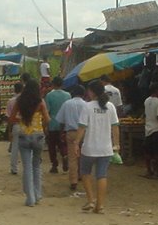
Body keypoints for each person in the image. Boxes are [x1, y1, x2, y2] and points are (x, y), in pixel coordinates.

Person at [77, 80, 121, 214]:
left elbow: (82, 127)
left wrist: (75, 143)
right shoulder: (111, 107)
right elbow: (115, 127)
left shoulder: (88, 106)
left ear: (91, 92)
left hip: (89, 147)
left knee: (85, 172)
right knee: (102, 175)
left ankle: (91, 200)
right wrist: (116, 144)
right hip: (106, 148)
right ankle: (100, 206)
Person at [7, 78, 50, 207]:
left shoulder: (19, 102)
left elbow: (11, 118)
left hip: (24, 135)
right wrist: (41, 123)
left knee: (27, 167)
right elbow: (47, 119)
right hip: (38, 136)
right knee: (36, 166)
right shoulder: (40, 102)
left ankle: (30, 197)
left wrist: (21, 119)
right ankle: (38, 194)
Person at [56, 84, 88, 192]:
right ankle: (82, 176)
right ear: (84, 94)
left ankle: (73, 181)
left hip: (71, 132)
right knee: (83, 156)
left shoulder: (67, 104)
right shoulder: (86, 105)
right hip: (84, 132)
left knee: (72, 157)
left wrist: (61, 133)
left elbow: (61, 120)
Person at [43, 76, 70, 174]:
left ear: (53, 84)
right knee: (63, 143)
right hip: (65, 123)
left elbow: (47, 111)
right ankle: (64, 155)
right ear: (62, 84)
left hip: (52, 123)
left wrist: (45, 126)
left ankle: (54, 165)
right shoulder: (68, 95)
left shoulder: (49, 96)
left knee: (52, 145)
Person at [6, 81, 24, 175]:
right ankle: (27, 167)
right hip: (26, 126)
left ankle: (14, 168)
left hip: (15, 126)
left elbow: (9, 118)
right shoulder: (27, 100)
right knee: (27, 148)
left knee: (15, 148)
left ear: (14, 90)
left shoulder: (11, 101)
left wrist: (9, 131)